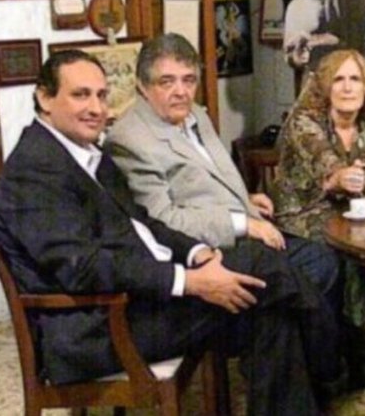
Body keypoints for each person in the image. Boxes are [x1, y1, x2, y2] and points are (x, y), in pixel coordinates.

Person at [0, 50, 339, 414]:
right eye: (80, 95)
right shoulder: (34, 172)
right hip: (99, 326)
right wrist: (190, 281)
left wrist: (197, 253)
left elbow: (145, 223)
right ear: (45, 98)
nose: (96, 108)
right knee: (261, 267)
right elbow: (82, 268)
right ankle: (330, 361)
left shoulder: (86, 154)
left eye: (101, 95)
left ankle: (323, 365)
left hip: (140, 296)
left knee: (269, 308)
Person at [105, 34, 339, 301]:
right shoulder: (130, 140)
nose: (181, 91)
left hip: (246, 232)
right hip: (205, 253)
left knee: (324, 256)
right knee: (314, 267)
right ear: (143, 87)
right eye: (166, 82)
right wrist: (242, 224)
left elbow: (202, 180)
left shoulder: (195, 114)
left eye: (188, 80)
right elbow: (163, 220)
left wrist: (244, 198)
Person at [272, 49, 365, 327]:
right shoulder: (304, 121)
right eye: (339, 79)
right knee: (354, 256)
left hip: (357, 212)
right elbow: (324, 161)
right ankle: (350, 345)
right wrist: (339, 176)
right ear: (326, 87)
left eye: (355, 79)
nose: (348, 87)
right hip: (304, 214)